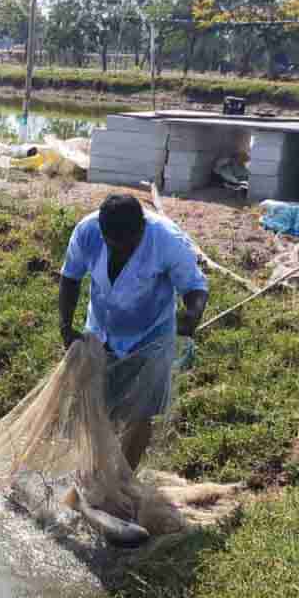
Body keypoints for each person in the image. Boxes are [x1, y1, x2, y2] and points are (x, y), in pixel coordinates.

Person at [58, 193, 208, 480]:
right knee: (94, 404)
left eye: (128, 246)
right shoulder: (87, 232)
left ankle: (121, 481)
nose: (120, 252)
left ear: (141, 229)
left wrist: (193, 314)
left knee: (141, 411)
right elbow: (70, 277)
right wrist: (65, 326)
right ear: (103, 233)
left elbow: (194, 287)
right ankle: (89, 474)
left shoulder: (166, 240)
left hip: (151, 333)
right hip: (101, 328)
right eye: (113, 244)